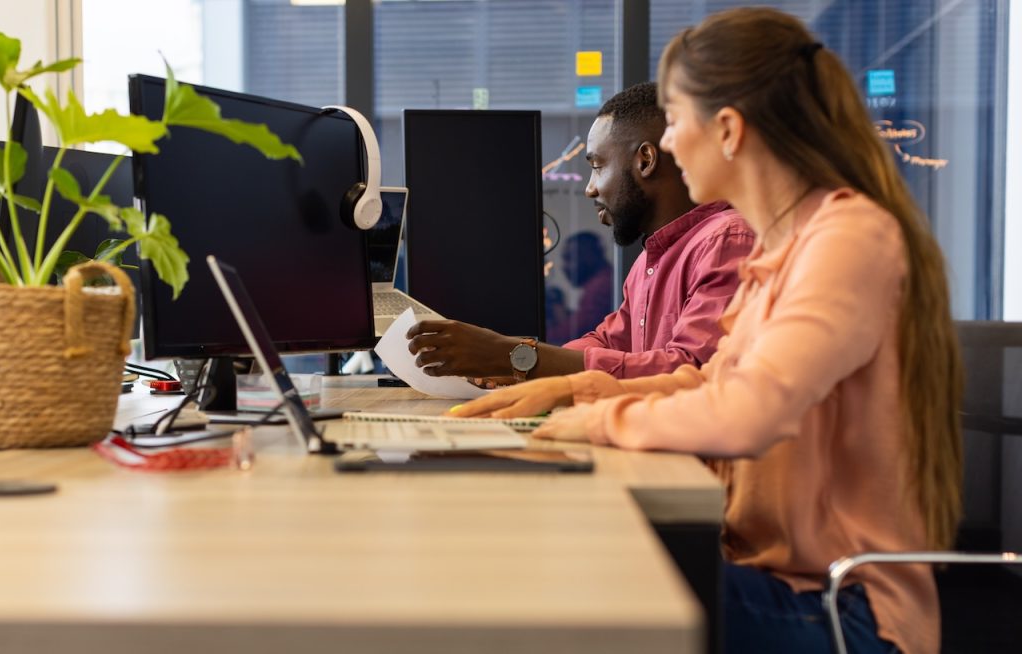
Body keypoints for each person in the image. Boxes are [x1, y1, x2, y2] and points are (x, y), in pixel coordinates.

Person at [453, 8, 962, 654]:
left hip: (843, 609)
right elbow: (706, 380)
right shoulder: (781, 247)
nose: (664, 145)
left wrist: (596, 419)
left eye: (675, 119)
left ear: (726, 130)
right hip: (771, 573)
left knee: (564, 579)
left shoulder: (847, 237)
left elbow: (751, 411)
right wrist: (573, 392)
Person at [407, 82, 754, 383]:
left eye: (597, 165)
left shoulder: (726, 242)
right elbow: (606, 342)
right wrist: (508, 363)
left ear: (645, 161)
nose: (589, 189)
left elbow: (690, 372)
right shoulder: (651, 259)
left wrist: (514, 356)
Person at [545, 231, 614, 344]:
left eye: (569, 258)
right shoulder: (604, 280)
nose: (564, 266)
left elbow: (576, 333)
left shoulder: (600, 287)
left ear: (590, 256)